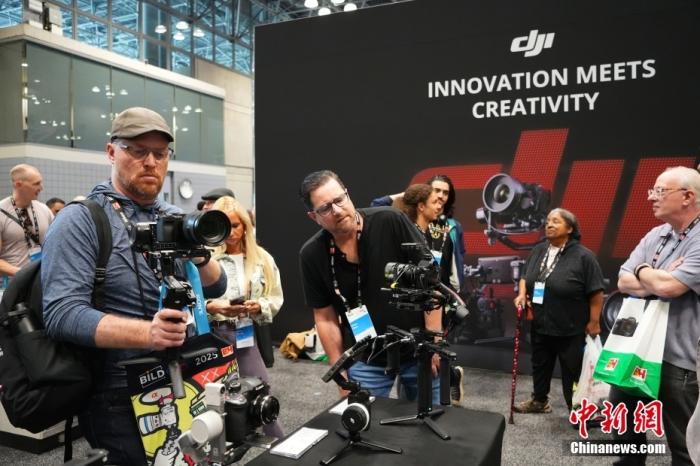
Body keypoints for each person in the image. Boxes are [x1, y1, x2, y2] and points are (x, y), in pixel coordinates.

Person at [41, 107, 227, 466]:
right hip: (119, 392)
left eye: (160, 153)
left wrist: (199, 252)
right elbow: (62, 314)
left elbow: (217, 286)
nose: (151, 162)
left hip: (186, 377)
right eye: (138, 151)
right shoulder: (81, 220)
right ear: (112, 152)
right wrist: (148, 334)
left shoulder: (172, 215)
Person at [299, 170, 442, 402]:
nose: (337, 210)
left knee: (431, 417)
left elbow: (430, 282)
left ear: (347, 194)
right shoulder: (312, 254)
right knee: (361, 419)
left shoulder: (391, 221)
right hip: (366, 357)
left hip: (419, 349)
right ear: (313, 216)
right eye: (325, 208)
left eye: (339, 200)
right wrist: (339, 373)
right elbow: (325, 317)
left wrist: (434, 344)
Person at [615, 166, 700, 465]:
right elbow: (622, 280)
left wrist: (644, 271)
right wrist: (654, 274)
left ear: (687, 197)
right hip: (638, 351)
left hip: (681, 359)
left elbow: (669, 287)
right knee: (624, 426)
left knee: (684, 443)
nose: (651, 197)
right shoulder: (657, 233)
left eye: (660, 191)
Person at [371, 175, 467, 405]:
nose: (440, 203)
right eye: (435, 198)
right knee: (411, 371)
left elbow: (452, 266)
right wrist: (409, 195)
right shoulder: (401, 231)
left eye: (444, 196)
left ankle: (450, 376)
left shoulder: (445, 231)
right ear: (421, 206)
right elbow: (376, 205)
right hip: (407, 314)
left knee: (429, 377)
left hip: (434, 307)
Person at [205, 195, 284, 439]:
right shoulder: (205, 259)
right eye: (225, 226)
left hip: (245, 332)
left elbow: (275, 297)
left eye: (236, 225)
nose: (231, 233)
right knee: (214, 397)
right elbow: (191, 299)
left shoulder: (262, 258)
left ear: (246, 225)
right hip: (214, 335)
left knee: (261, 389)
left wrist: (258, 305)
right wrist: (213, 307)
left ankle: (278, 443)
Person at [513, 207, 605, 414]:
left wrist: (594, 321)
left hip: (570, 327)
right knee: (540, 364)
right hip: (540, 322)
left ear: (570, 228)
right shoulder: (538, 250)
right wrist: (522, 294)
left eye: (556, 221)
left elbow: (596, 292)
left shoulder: (584, 256)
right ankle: (539, 401)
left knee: (572, 371)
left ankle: (578, 408)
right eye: (547, 221)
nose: (549, 225)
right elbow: (526, 276)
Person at [0, 164, 53, 279]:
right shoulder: (1, 212)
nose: (41, 188)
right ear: (18, 184)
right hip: (11, 283)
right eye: (36, 184)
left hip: (40, 280)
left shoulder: (44, 210)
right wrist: (23, 274)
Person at [400, 184, 455, 289]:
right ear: (421, 206)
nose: (439, 207)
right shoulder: (407, 235)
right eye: (434, 202)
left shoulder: (437, 236)